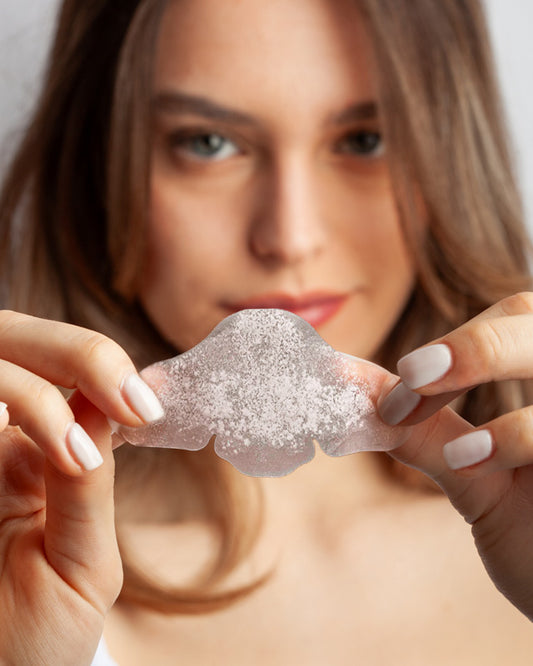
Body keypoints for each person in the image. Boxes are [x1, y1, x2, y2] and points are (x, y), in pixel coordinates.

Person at [1, 0, 533, 663]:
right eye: (208, 142)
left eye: (365, 139)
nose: (291, 237)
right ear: (94, 171)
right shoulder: (25, 567)